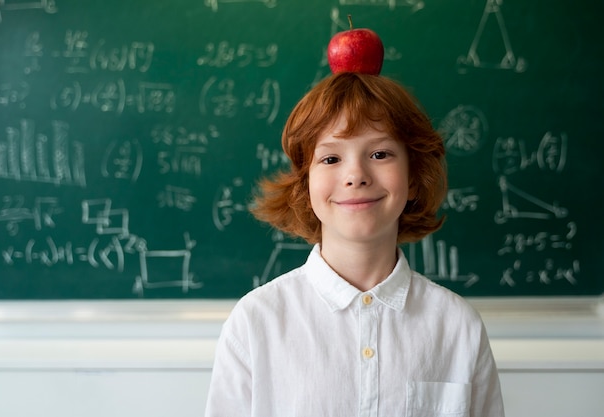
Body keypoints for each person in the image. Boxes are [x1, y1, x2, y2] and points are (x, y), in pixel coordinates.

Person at [205, 72, 504, 417]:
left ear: (412, 173)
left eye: (380, 154)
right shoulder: (256, 323)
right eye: (331, 159)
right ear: (305, 184)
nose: (356, 174)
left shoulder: (457, 327)